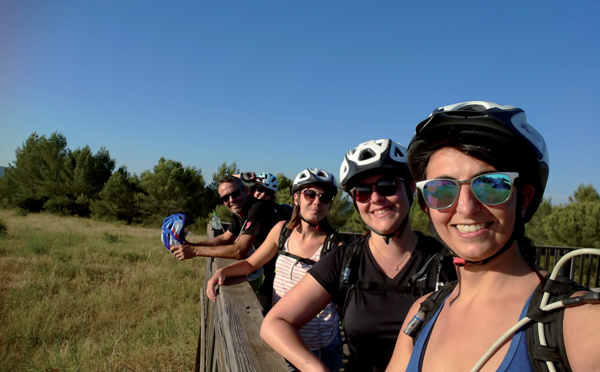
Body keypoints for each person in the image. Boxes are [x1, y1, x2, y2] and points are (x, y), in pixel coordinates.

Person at [386, 101, 600, 372]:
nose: (466, 207)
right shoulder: (421, 313)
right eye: (442, 188)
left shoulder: (580, 324)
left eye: (491, 185)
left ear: (523, 199)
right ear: (426, 205)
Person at [260, 139, 456, 372]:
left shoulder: (444, 263)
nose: (375, 198)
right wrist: (316, 369)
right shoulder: (345, 260)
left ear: (411, 188)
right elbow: (274, 323)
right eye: (362, 192)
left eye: (387, 186)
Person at [207, 168, 344, 371]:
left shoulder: (335, 247)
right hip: (283, 340)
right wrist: (223, 272)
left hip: (319, 349)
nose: (317, 202)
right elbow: (252, 263)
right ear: (296, 198)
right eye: (310, 194)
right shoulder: (282, 231)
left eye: (325, 197)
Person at [171, 175, 289, 292]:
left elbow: (239, 250)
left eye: (235, 193)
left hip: (289, 270)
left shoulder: (257, 208)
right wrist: (192, 245)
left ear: (245, 191)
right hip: (275, 270)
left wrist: (194, 251)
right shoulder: (240, 212)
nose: (231, 200)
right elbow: (225, 238)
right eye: (225, 198)